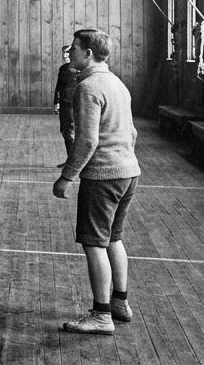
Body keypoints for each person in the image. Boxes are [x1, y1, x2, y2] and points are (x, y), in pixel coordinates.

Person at [52, 28, 140, 335]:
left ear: (88, 53)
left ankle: (102, 315)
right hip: (128, 173)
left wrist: (67, 176)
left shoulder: (88, 87)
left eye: (74, 48)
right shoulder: (117, 84)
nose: (71, 53)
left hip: (103, 177)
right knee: (113, 238)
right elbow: (131, 134)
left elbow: (87, 140)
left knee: (94, 244)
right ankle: (119, 302)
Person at [53, 45, 80, 167]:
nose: (65, 55)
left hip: (75, 105)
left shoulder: (81, 70)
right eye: (63, 53)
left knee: (72, 131)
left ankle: (76, 162)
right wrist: (56, 102)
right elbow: (59, 87)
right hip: (64, 104)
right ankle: (70, 160)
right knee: (64, 131)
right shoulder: (63, 69)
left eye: (67, 52)